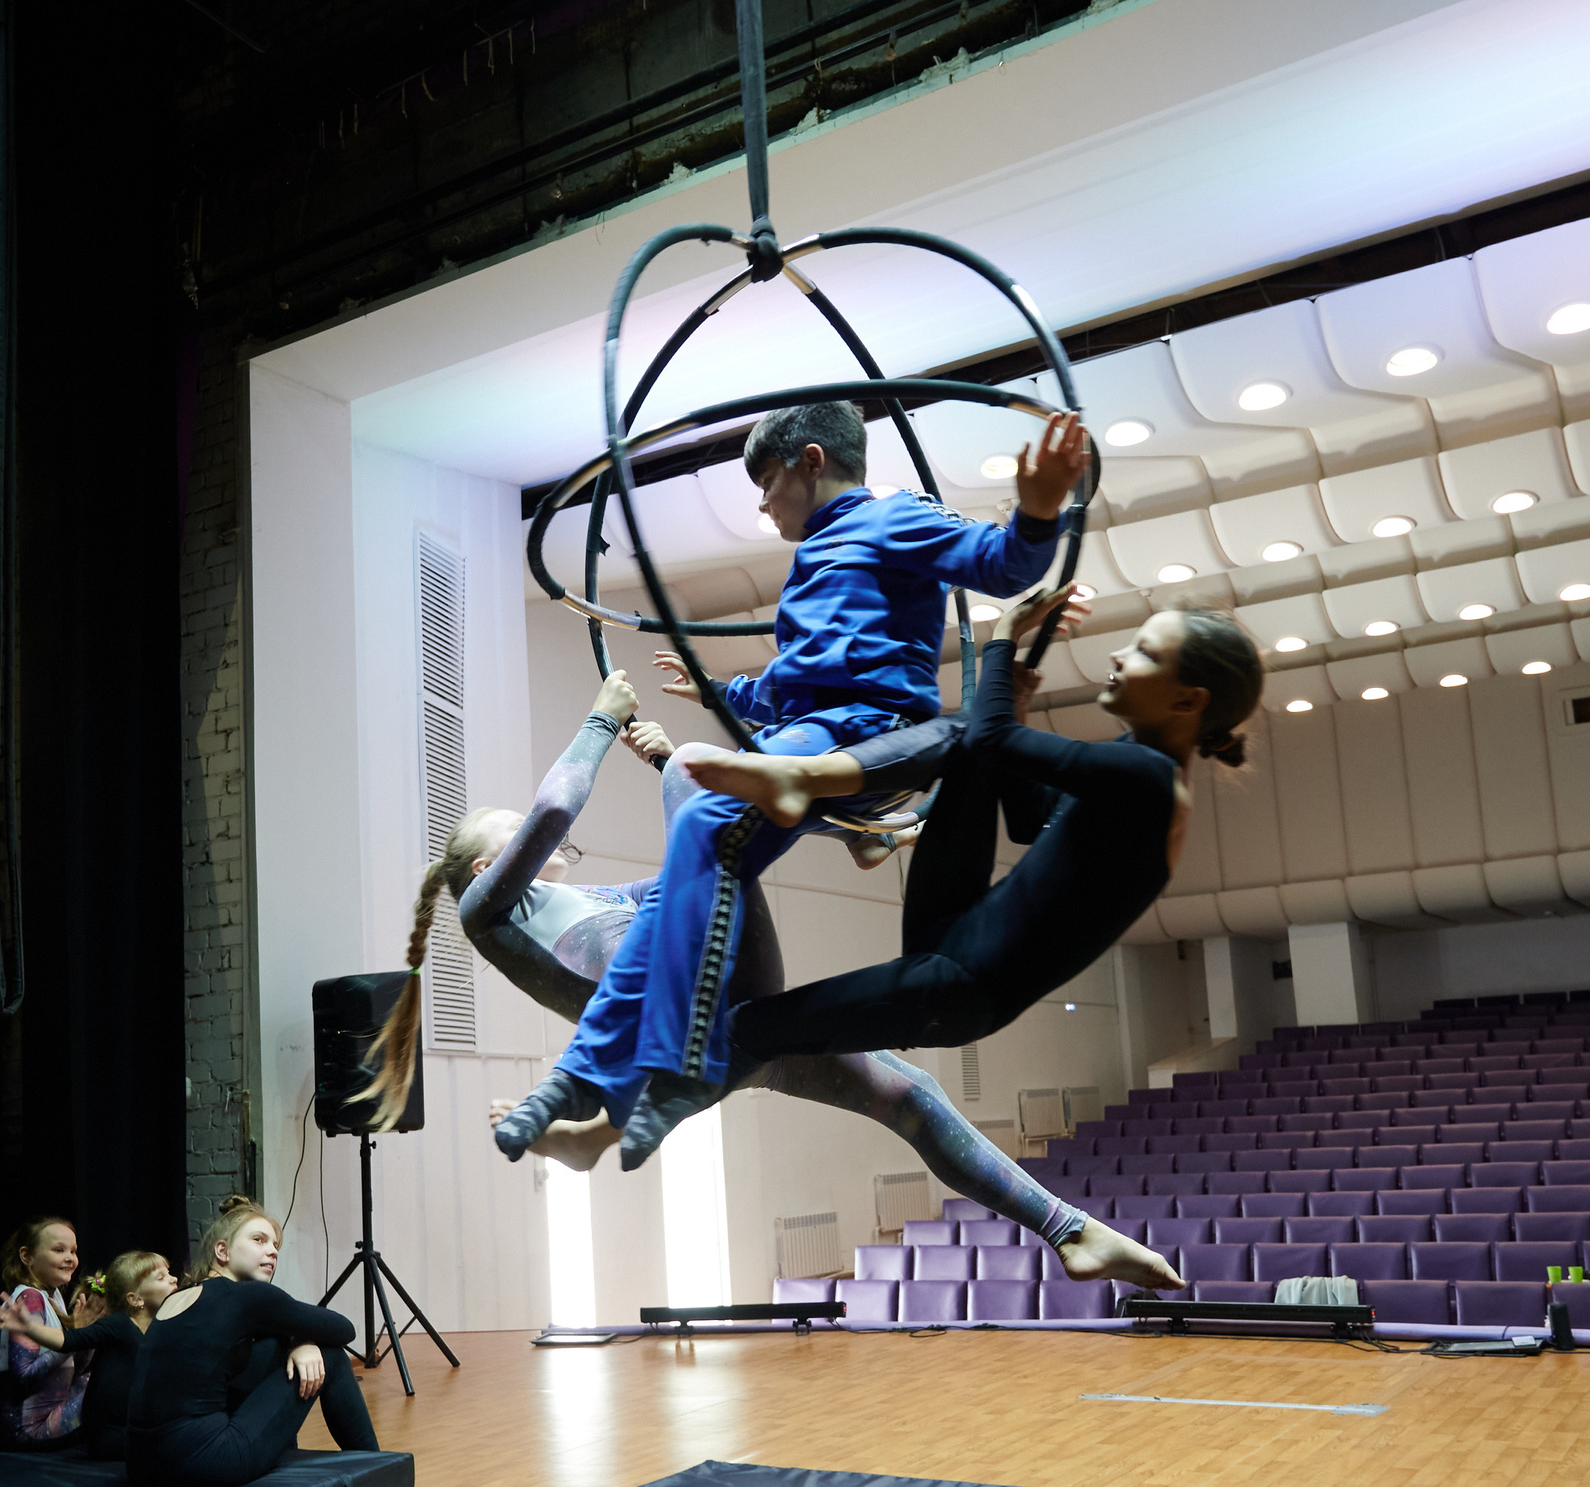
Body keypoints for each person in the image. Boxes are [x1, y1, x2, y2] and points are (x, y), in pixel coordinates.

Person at [355, 668, 1173, 1289]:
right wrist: (601, 724)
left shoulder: (588, 895)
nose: (554, 849)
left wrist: (673, 763)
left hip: (745, 1032)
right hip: (709, 1030)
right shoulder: (491, 916)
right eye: (522, 840)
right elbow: (557, 809)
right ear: (490, 863)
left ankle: (1066, 1228)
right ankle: (866, 826)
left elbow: (699, 870)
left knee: (913, 1096)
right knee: (695, 788)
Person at [492, 403, 1089, 1168]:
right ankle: (594, 1074)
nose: (762, 502)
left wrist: (1039, 513)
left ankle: (644, 1069)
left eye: (766, 481)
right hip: (803, 735)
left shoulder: (896, 517)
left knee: (705, 813)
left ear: (811, 461)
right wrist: (716, 692)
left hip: (869, 737)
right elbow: (793, 679)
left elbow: (1001, 563)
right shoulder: (816, 558)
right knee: (691, 833)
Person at [683, 588, 1263, 1070]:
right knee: (970, 739)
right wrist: (1014, 713)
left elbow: (992, 738)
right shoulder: (1138, 764)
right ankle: (840, 805)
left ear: (1188, 701)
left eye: (1144, 654)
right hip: (953, 928)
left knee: (749, 1026)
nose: (1118, 655)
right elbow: (1033, 820)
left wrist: (1004, 634)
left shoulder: (1150, 780)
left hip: (957, 987)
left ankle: (810, 780)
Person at [127, 1197, 445, 1487]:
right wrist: (302, 1339)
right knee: (330, 1357)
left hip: (144, 1467)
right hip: (207, 1463)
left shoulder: (179, 1298)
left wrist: (293, 1339)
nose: (273, 1251)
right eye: (258, 1240)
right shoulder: (247, 1297)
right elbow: (344, 1330)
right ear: (221, 1252)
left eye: (275, 1244)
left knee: (270, 1352)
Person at [0, 1249, 174, 1461]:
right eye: (162, 1278)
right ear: (135, 1299)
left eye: (170, 1273)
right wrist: (30, 1328)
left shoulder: (157, 1330)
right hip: (109, 1437)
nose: (174, 1280)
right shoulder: (119, 1325)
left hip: (130, 1427)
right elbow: (70, 1340)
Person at [0, 1215, 91, 1448]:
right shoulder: (30, 1298)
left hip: (50, 1416)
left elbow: (78, 1369)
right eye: (59, 1250)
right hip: (28, 1428)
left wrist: (87, 1336)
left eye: (73, 1251)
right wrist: (73, 1338)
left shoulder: (53, 1296)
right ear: (27, 1256)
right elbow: (24, 1379)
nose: (69, 1258)